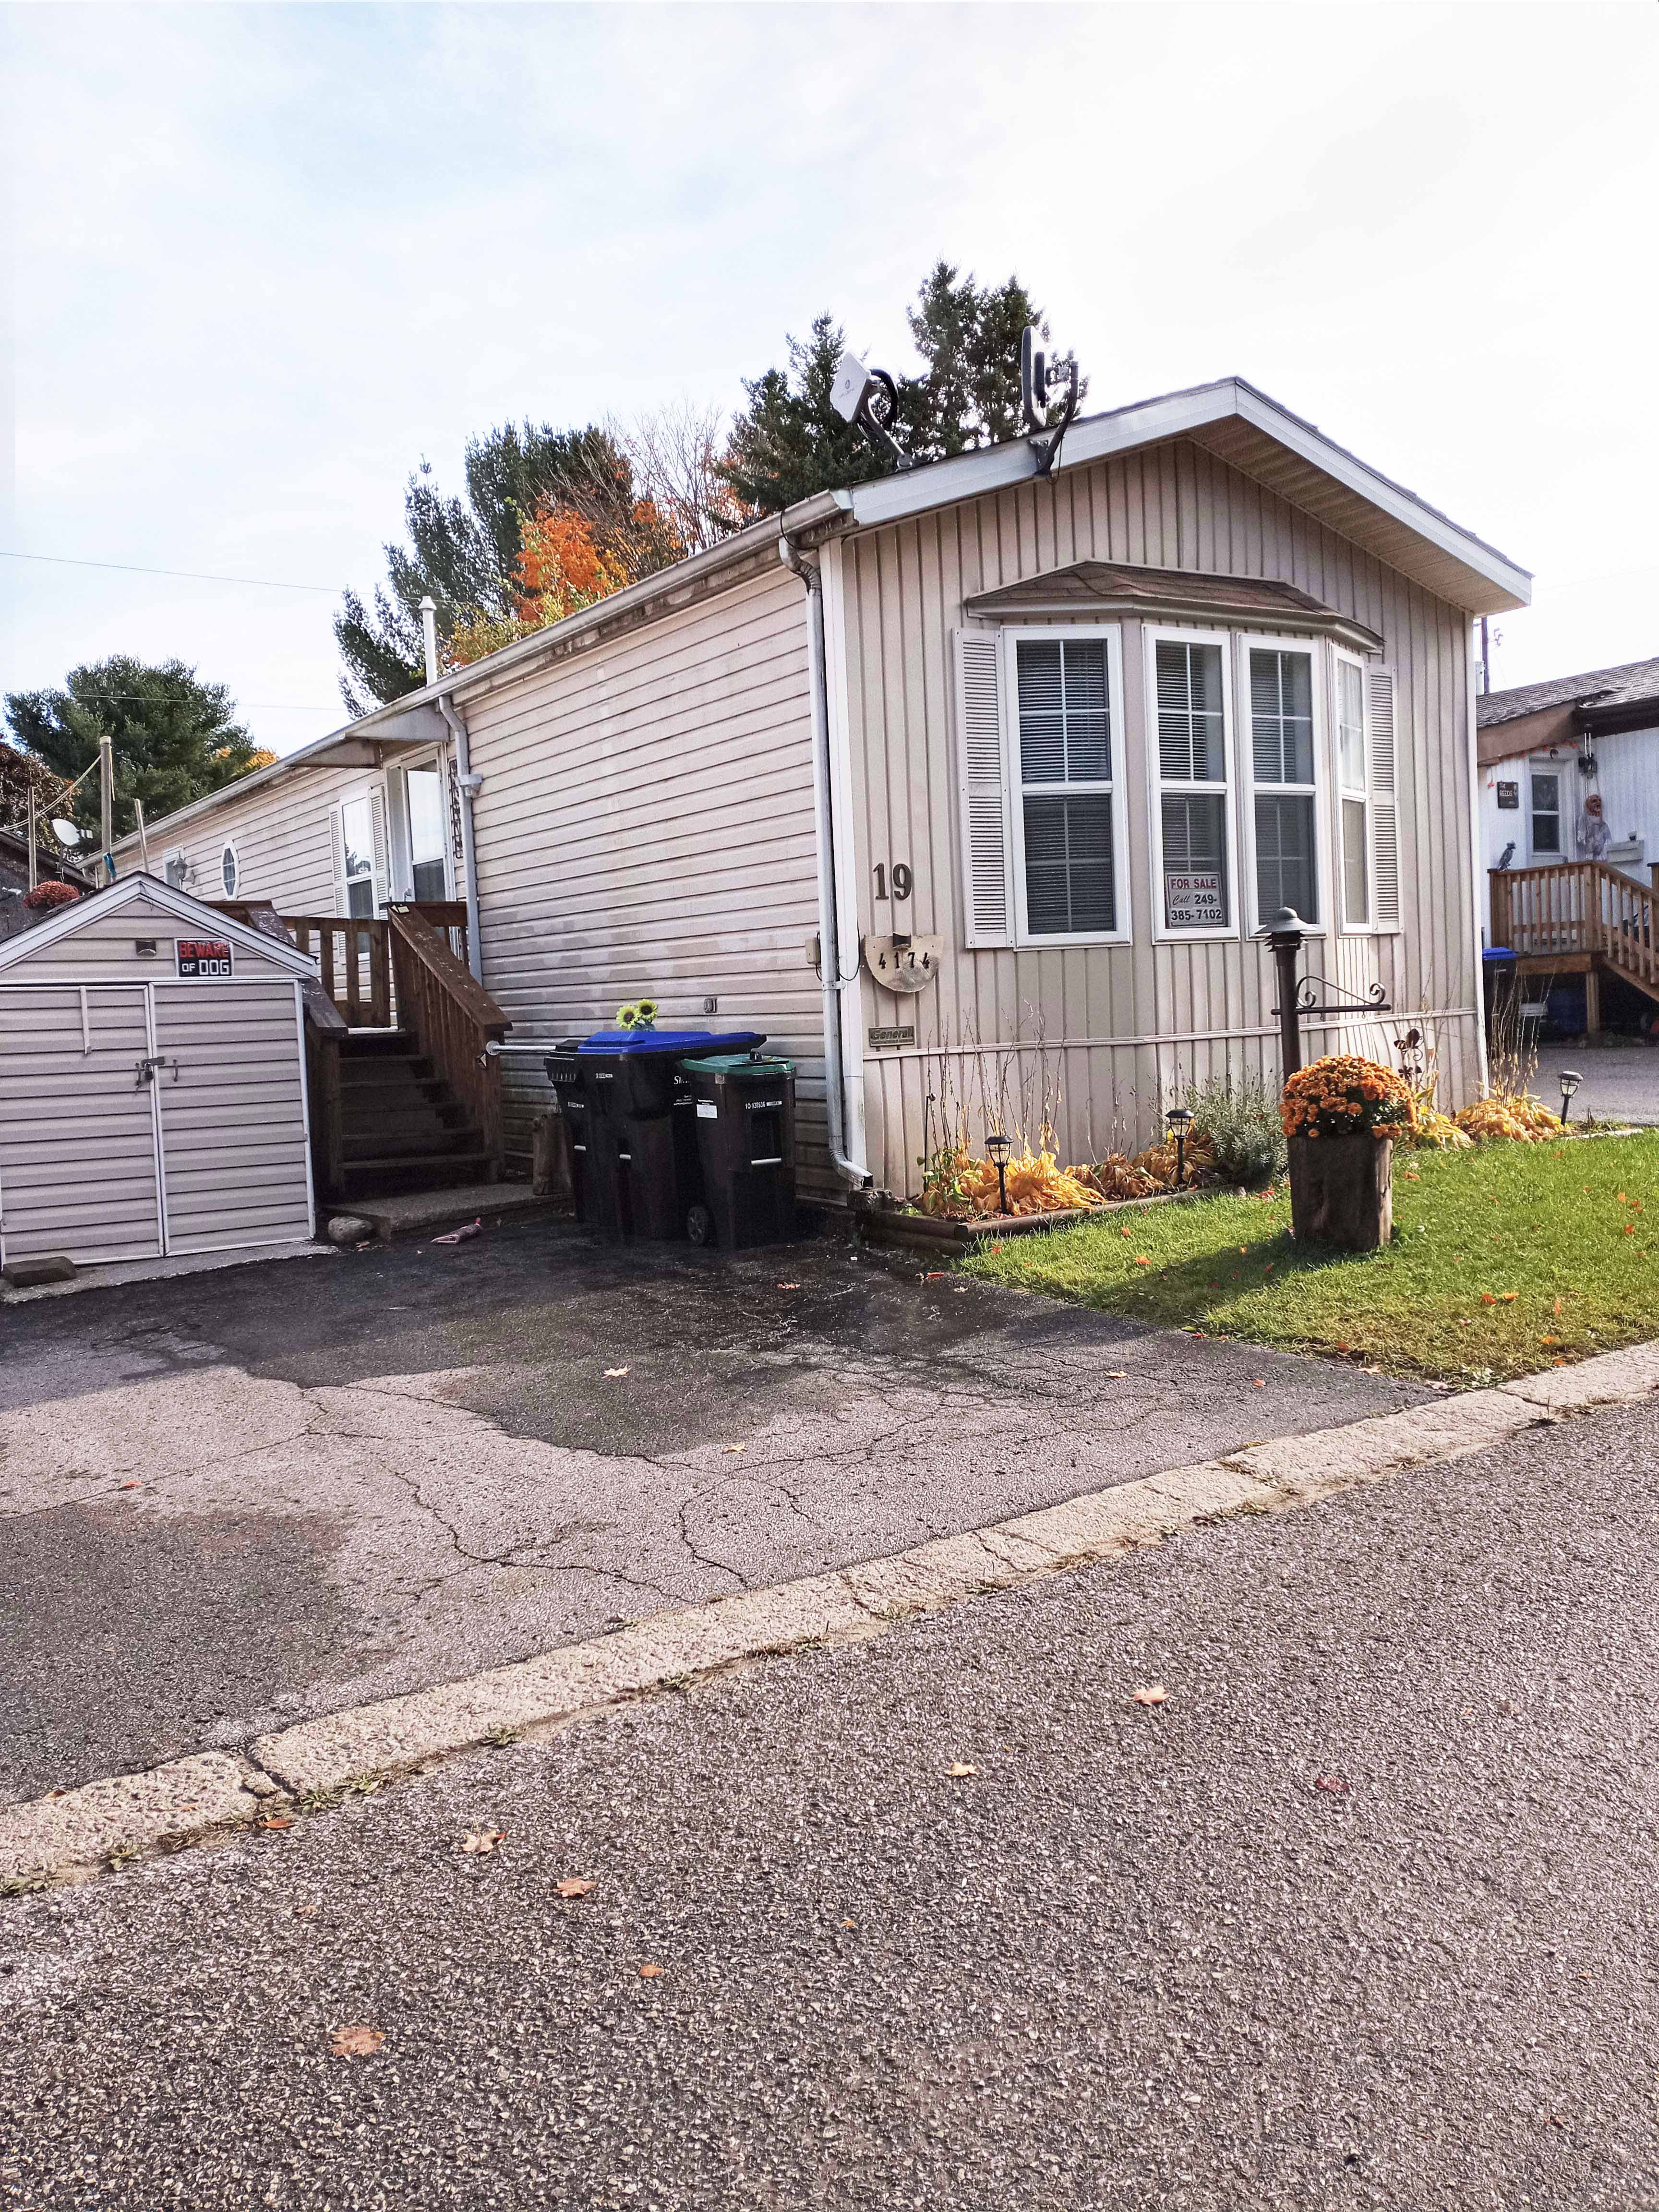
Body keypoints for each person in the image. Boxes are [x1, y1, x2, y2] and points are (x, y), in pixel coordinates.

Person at [1578, 791, 1613, 861]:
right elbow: (1582, 837)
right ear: (1589, 805)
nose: (1598, 803)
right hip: (1589, 854)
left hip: (1600, 856)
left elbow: (1608, 840)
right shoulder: (1584, 819)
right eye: (1594, 801)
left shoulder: (1603, 824)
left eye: (1599, 801)